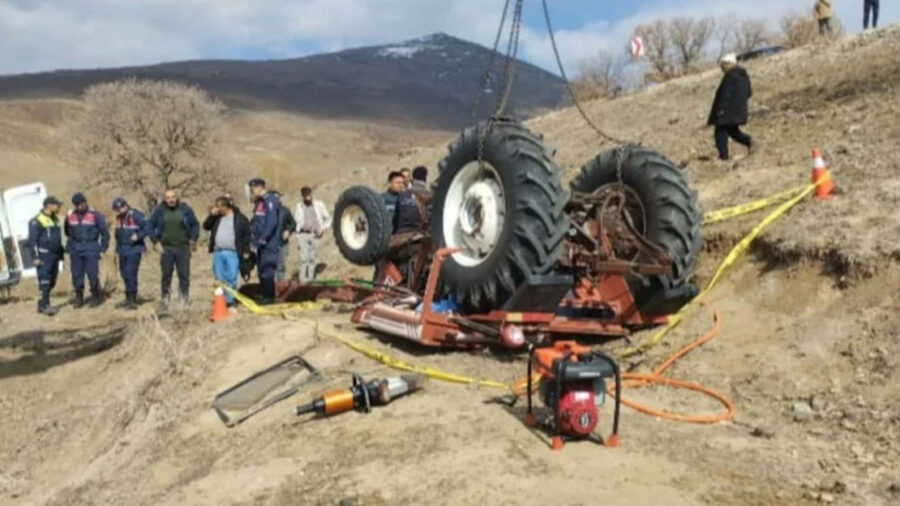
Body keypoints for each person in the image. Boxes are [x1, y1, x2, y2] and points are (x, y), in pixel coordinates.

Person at [148, 189, 199, 312]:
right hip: (166, 249)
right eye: (168, 197)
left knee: (184, 275)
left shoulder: (185, 210)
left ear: (177, 197)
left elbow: (195, 224)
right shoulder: (159, 211)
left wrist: (193, 238)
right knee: (166, 275)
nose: (171, 200)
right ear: (164, 199)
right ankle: (165, 300)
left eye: (173, 197)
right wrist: (155, 241)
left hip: (183, 248)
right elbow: (149, 226)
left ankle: (183, 299)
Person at [203, 195, 251, 307]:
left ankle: (230, 300)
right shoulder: (216, 218)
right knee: (219, 277)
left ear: (226, 207)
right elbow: (206, 226)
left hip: (232, 252)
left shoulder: (240, 218)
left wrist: (246, 250)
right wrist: (211, 215)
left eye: (218, 206)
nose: (217, 209)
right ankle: (220, 300)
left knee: (231, 277)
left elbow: (247, 235)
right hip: (218, 252)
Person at [64, 192, 109, 308]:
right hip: (75, 249)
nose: (80, 206)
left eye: (82, 203)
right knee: (77, 276)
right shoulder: (70, 216)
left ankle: (96, 296)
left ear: (85, 202)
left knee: (92, 274)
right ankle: (79, 297)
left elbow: (105, 233)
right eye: (77, 205)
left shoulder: (95, 215)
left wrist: (103, 248)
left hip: (91, 248)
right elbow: (68, 231)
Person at [708, 53, 753, 161]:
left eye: (723, 65)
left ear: (728, 64)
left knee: (720, 132)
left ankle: (723, 156)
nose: (722, 68)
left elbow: (725, 94)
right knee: (733, 131)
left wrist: (720, 110)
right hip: (738, 111)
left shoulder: (730, 76)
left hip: (727, 111)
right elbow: (749, 93)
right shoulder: (743, 76)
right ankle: (750, 142)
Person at [27, 196, 64, 316]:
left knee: (52, 281)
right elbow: (32, 241)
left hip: (54, 255)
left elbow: (56, 238)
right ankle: (44, 306)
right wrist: (35, 257)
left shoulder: (55, 219)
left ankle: (42, 303)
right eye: (56, 205)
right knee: (45, 280)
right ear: (49, 205)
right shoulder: (37, 220)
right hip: (43, 255)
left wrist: (61, 252)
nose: (58, 207)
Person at [248, 178, 281, 304]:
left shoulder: (270, 200)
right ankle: (263, 294)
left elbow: (271, 223)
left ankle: (268, 297)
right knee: (261, 270)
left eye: (253, 189)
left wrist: (263, 238)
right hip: (259, 244)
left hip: (268, 243)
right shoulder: (258, 203)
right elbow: (256, 222)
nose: (252, 191)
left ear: (260, 187)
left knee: (268, 270)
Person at [111, 198, 147, 310]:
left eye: (121, 207)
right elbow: (118, 235)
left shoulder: (136, 215)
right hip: (122, 250)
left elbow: (147, 227)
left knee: (131, 273)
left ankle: (132, 298)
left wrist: (138, 236)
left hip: (134, 249)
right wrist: (116, 249)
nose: (120, 210)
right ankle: (127, 296)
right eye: (117, 209)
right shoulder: (118, 218)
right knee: (124, 273)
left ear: (126, 205)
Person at [294, 186, 332, 284]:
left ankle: (311, 280)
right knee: (303, 258)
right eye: (305, 196)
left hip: (314, 234)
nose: (307, 198)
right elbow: (296, 221)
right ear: (302, 196)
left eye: (308, 195)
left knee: (312, 258)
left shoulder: (319, 205)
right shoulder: (299, 206)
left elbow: (328, 218)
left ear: (311, 194)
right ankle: (302, 281)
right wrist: (297, 231)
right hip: (303, 234)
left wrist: (323, 228)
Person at [394, 166, 431, 234]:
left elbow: (395, 219)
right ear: (425, 179)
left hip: (401, 233)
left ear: (412, 179)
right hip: (420, 234)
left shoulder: (402, 194)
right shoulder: (429, 196)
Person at [273, 190, 296, 282]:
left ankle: (280, 288)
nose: (275, 199)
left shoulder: (285, 211)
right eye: (273, 197)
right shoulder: (266, 211)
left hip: (282, 243)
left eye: (277, 197)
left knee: (281, 267)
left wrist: (288, 231)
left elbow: (293, 223)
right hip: (270, 245)